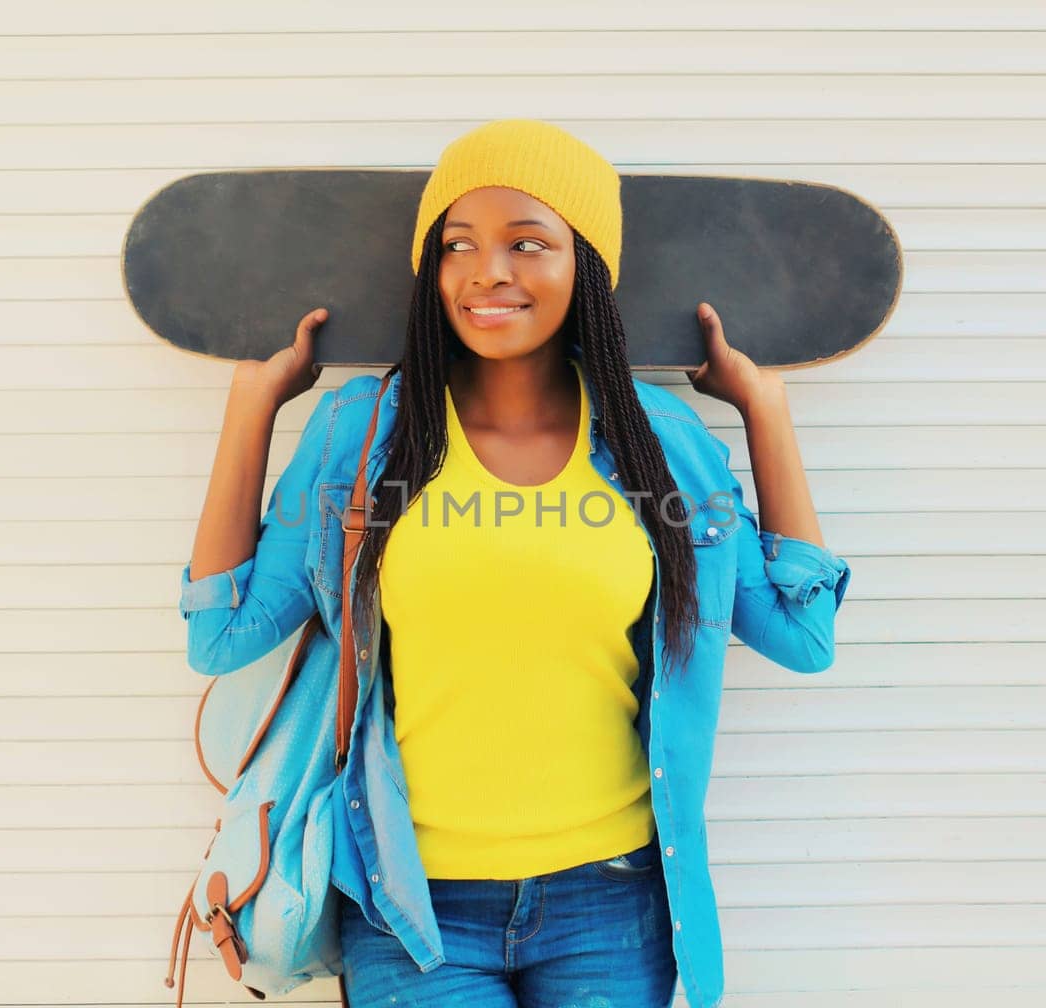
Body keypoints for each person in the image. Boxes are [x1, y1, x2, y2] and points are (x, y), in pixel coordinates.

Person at [181, 119, 853, 1008]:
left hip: (611, 907)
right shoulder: (360, 434)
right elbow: (221, 636)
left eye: (527, 243)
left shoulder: (665, 447)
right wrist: (251, 409)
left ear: (587, 267)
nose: (486, 271)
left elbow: (803, 635)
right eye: (457, 245)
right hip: (413, 905)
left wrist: (767, 414)